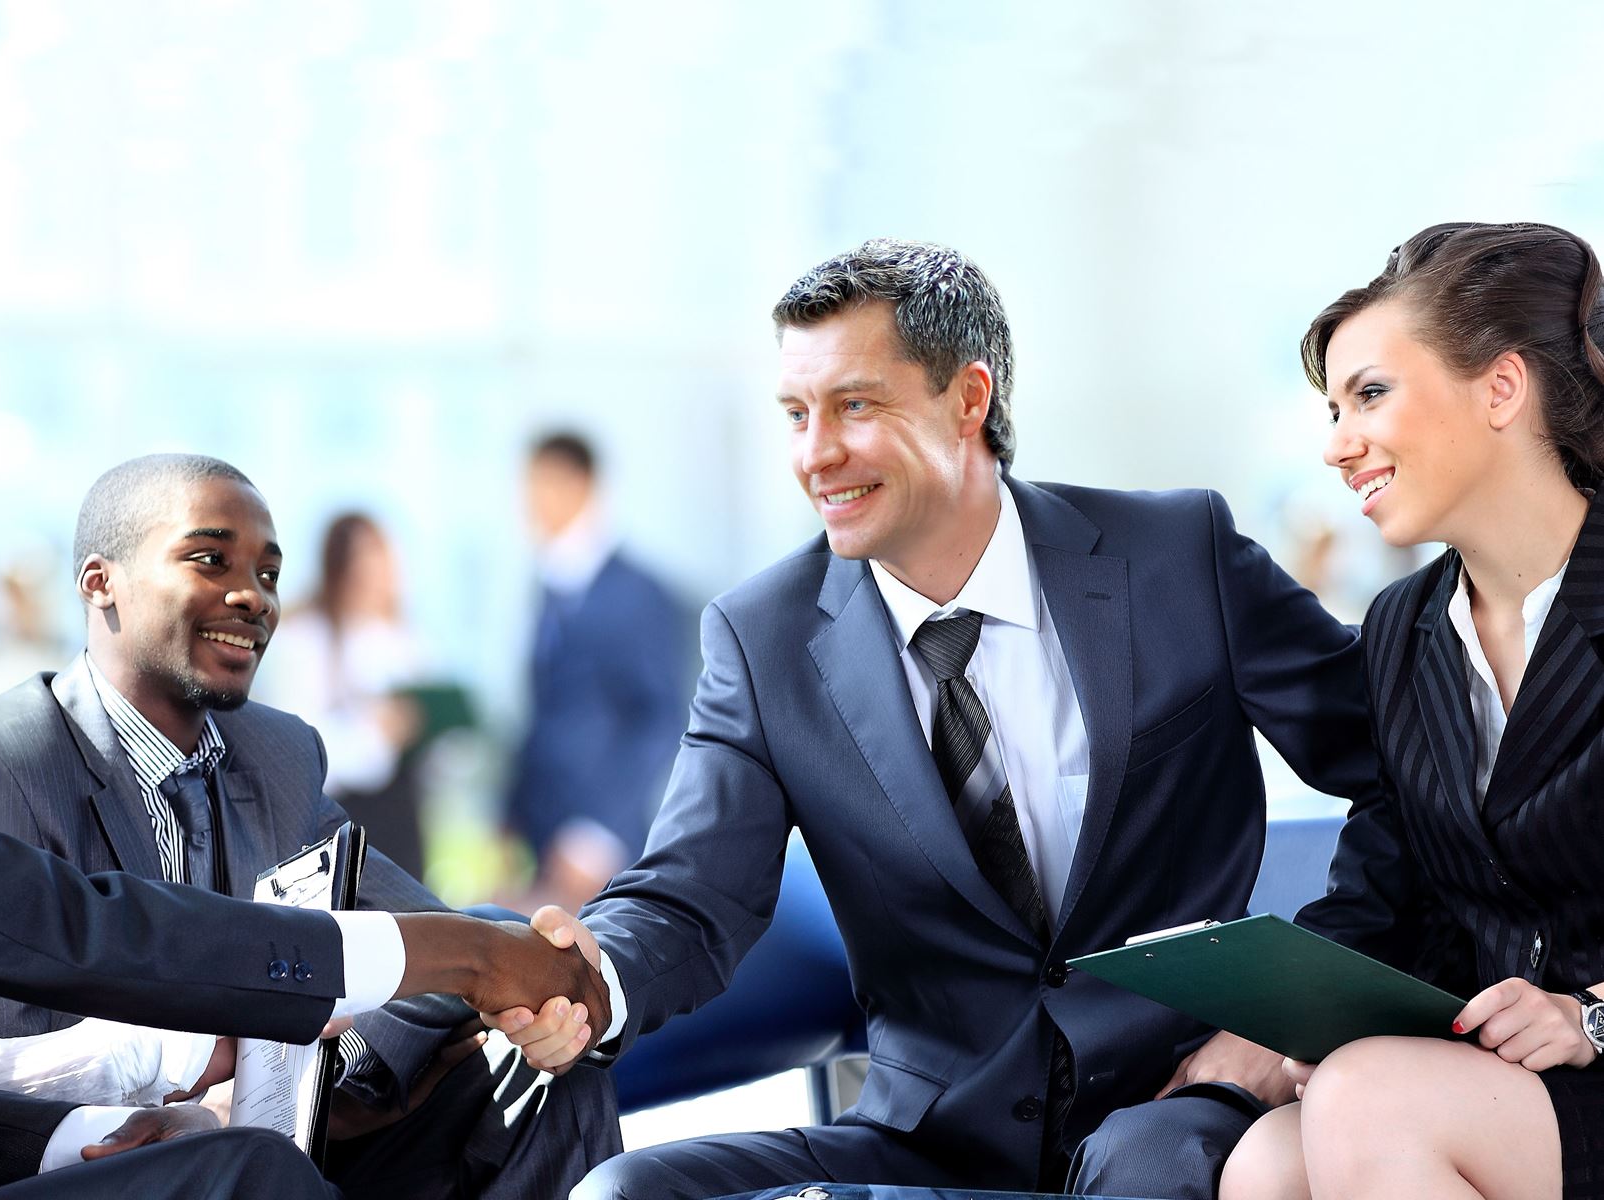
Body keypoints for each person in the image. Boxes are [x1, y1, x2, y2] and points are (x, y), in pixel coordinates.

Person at [487, 239, 1383, 1200]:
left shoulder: (1174, 556)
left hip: (1171, 1105)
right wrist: (593, 973)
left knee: (1143, 1171)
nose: (814, 453)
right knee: (625, 1194)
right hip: (931, 1134)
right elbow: (691, 894)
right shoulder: (762, 639)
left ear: (967, 400)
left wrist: (1284, 1016)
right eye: (796, 414)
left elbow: (1404, 769)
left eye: (853, 406)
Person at [0, 376, 610, 1200]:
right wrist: (464, 954)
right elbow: (65, 930)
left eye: (267, 570)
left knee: (251, 1156)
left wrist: (94, 1137)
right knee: (246, 1177)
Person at [0, 457, 619, 1199]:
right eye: (209, 559)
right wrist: (199, 1093)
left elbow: (415, 936)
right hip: (113, 1164)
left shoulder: (277, 752)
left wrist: (521, 1006)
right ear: (100, 583)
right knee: (256, 1165)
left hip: (275, 1142)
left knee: (541, 1076)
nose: (252, 595)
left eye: (270, 573)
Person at [1218, 222, 1604, 1200]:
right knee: (1266, 1159)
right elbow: (1385, 893)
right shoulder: (1400, 628)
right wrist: (1297, 1012)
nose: (1336, 446)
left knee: (1365, 1102)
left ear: (1499, 389)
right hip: (1521, 1085)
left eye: (1369, 396)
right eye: (1331, 409)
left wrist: (1591, 1013)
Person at [505, 432, 692, 911]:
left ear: (581, 484)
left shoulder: (637, 592)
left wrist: (598, 832)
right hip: (542, 834)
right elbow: (544, 714)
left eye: (543, 484)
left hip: (598, 845)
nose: (531, 502)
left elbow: (659, 719)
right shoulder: (548, 584)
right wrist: (508, 818)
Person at [258, 511, 431, 878]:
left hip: (401, 826)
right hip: (336, 827)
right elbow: (298, 747)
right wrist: (375, 735)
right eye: (362, 562)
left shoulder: (406, 642)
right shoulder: (305, 639)